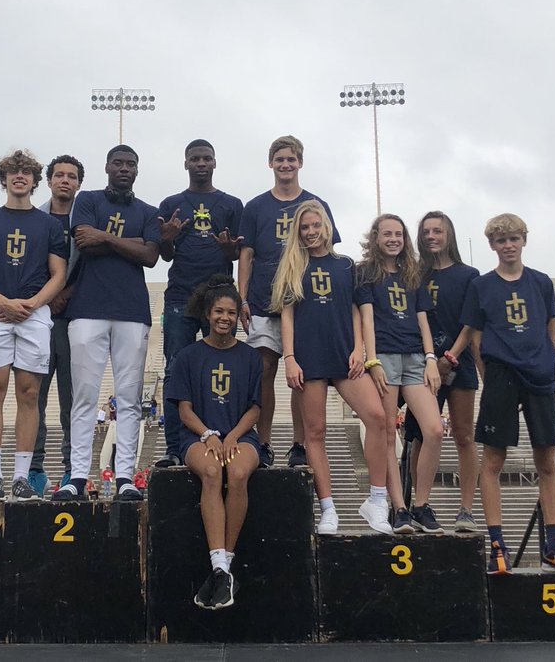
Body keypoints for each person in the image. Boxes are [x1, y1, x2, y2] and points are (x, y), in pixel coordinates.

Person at [446, 213, 555, 575]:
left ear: (524, 240)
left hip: (538, 375)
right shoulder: (482, 285)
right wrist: (487, 375)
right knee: (492, 462)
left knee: (546, 461)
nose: (508, 245)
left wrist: (548, 364)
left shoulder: (541, 282)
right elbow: (474, 335)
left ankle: (553, 545)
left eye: (514, 239)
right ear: (492, 245)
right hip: (501, 374)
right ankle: (497, 545)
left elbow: (553, 328)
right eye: (501, 240)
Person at [271, 201, 393, 535]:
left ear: (326, 225)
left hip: (344, 357)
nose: (310, 232)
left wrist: (359, 349)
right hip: (309, 358)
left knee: (378, 418)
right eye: (304, 228)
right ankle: (327, 508)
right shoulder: (292, 267)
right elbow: (288, 315)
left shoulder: (346, 266)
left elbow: (354, 310)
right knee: (315, 432)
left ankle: (377, 500)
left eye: (315, 225)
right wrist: (290, 358)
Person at [53, 145, 161, 501]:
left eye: (131, 164)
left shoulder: (148, 210)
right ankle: (78, 476)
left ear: (137, 170)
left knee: (129, 399)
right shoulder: (88, 200)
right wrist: (125, 243)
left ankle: (125, 477)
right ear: (107, 167)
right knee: (84, 396)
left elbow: (149, 256)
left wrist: (106, 237)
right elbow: (84, 241)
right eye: (118, 163)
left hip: (132, 311)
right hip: (87, 308)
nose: (124, 169)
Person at [0, 151, 69, 503]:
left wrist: (32, 304)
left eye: (26, 172)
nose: (19, 177)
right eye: (13, 172)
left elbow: (59, 273)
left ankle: (21, 478)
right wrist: (3, 302)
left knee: (29, 394)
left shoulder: (50, 225)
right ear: (4, 179)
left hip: (34, 313)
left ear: (35, 179)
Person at [238, 136, 340, 469]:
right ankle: (263, 442)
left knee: (302, 375)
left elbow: (328, 251)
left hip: (305, 305)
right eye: (279, 159)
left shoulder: (316, 204)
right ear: (271, 163)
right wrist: (242, 297)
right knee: (264, 371)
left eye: (291, 159)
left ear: (300, 163)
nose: (285, 165)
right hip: (264, 300)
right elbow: (247, 253)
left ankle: (299, 444)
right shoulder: (255, 207)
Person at [167, 275, 262, 610]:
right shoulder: (189, 355)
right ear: (207, 314)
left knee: (236, 473)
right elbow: (184, 408)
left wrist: (233, 435)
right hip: (197, 435)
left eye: (231, 312)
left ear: (239, 316)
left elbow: (254, 408)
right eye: (219, 311)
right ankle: (218, 565)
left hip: (241, 435)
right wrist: (208, 434)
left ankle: (226, 565)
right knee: (211, 472)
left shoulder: (250, 357)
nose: (225, 317)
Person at [154, 140, 244, 468]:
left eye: (206, 158)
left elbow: (237, 253)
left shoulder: (232, 204)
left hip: (218, 296)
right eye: (195, 158)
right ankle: (175, 447)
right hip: (180, 295)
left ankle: (221, 438)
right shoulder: (172, 203)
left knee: (220, 370)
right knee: (176, 369)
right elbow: (163, 254)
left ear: (215, 163)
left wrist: (227, 250)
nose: (201, 163)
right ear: (186, 163)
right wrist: (167, 237)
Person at [357, 214, 443, 535]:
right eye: (387, 234)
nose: (393, 239)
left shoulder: (413, 273)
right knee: (387, 435)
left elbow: (423, 320)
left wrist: (431, 357)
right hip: (387, 357)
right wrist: (372, 360)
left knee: (433, 429)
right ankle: (399, 508)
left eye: (399, 234)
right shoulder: (365, 272)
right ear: (375, 237)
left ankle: (421, 504)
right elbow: (367, 319)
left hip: (416, 357)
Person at [409, 211, 481, 533]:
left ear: (448, 234)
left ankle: (466, 508)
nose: (431, 236)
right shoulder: (414, 274)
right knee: (420, 436)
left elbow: (471, 324)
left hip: (458, 363)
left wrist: (450, 357)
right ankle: (418, 502)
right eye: (426, 232)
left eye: (437, 231)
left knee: (464, 435)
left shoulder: (469, 275)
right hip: (422, 366)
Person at [29, 155, 85, 496]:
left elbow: (92, 264)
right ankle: (34, 469)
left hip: (76, 317)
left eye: (72, 176)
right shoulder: (34, 219)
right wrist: (46, 299)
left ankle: (70, 470)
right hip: (39, 316)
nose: (65, 180)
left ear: (79, 183)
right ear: (48, 181)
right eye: (59, 175)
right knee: (34, 395)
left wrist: (67, 293)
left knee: (71, 399)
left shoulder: (87, 217)